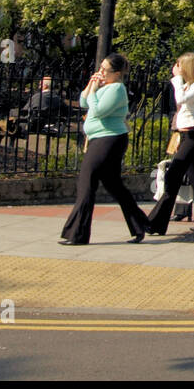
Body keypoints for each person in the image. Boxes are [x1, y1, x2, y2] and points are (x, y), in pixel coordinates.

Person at [59, 53, 149, 245]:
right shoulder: (105, 87)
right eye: (100, 68)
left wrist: (93, 94)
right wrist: (92, 85)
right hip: (100, 139)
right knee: (113, 184)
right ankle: (140, 225)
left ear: (116, 73)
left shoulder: (117, 89)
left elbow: (98, 110)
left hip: (108, 139)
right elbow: (84, 102)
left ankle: (77, 234)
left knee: (86, 182)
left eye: (104, 70)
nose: (100, 72)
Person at [146, 53, 194, 235]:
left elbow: (180, 99)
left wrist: (177, 79)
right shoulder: (188, 85)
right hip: (186, 135)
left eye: (179, 65)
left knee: (173, 176)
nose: (176, 68)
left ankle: (155, 223)